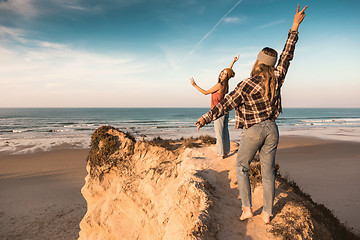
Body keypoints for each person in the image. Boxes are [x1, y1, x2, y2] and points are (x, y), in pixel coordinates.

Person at [195, 4, 308, 223]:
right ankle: (267, 213)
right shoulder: (277, 77)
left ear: (257, 62)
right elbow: (287, 55)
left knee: (241, 166)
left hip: (253, 131)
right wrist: (294, 25)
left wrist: (205, 118)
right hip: (272, 129)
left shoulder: (246, 84)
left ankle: (247, 209)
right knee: (268, 173)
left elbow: (225, 104)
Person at [190, 56, 239, 159]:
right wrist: (232, 62)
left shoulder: (219, 85)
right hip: (225, 111)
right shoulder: (226, 85)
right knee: (225, 132)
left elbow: (205, 92)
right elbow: (228, 73)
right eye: (222, 72)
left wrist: (195, 85)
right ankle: (225, 151)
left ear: (227, 77)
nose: (222, 74)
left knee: (219, 134)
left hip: (218, 112)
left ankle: (221, 154)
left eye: (224, 74)